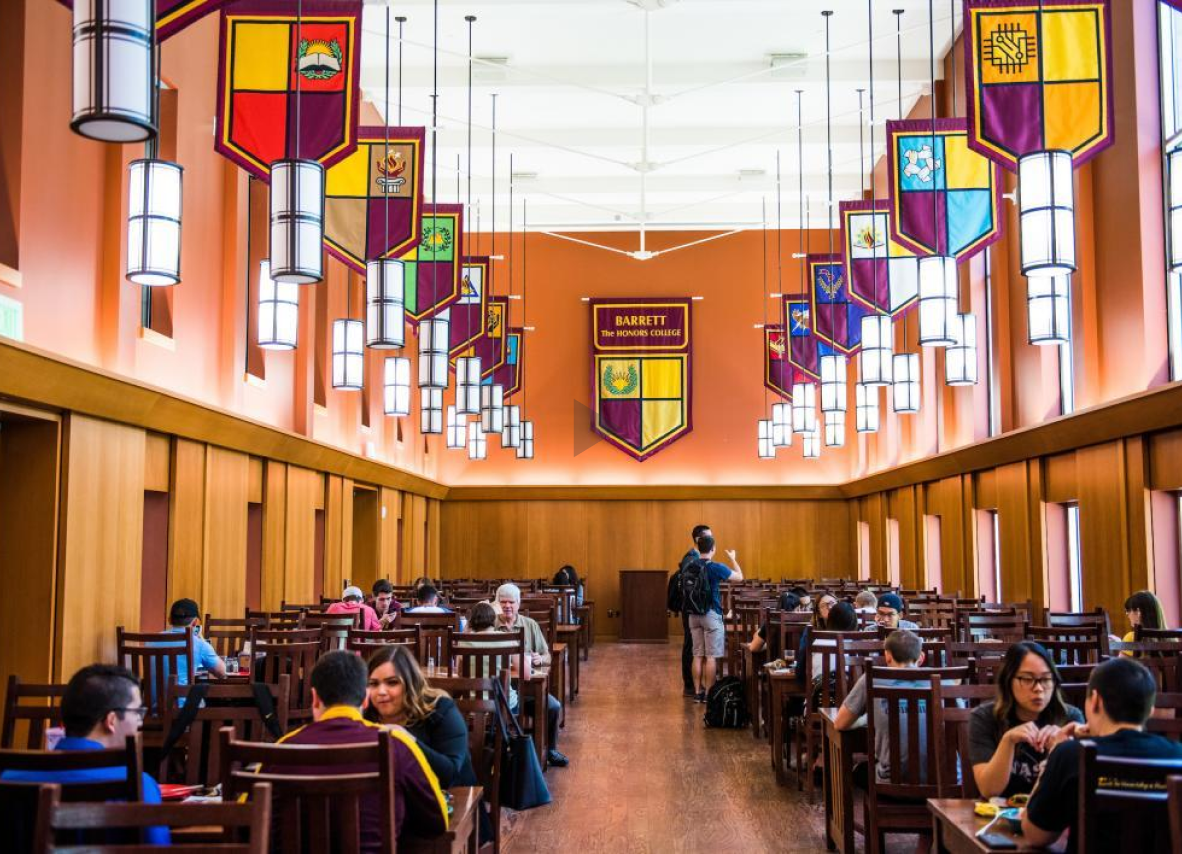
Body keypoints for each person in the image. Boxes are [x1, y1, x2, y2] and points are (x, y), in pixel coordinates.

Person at [273, 651, 448, 849]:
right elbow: (437, 821)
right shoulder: (396, 744)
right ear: (365, 699)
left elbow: (247, 819)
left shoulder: (282, 748)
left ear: (314, 698)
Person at [1022, 657, 1182, 852]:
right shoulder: (1177, 756)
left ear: (1095, 700)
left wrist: (1054, 753)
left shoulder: (1071, 754)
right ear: (1150, 710)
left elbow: (1035, 834)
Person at [1, 664, 169, 844]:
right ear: (111, 720)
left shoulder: (9, 778)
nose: (139, 721)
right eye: (137, 712)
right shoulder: (139, 783)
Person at [365, 644, 492, 844]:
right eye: (373, 683)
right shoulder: (366, 715)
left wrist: (407, 739)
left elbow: (449, 773)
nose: (381, 691)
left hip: (448, 811)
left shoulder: (440, 709)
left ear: (410, 683)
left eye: (392, 682)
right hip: (391, 810)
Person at [969, 641, 1084, 798]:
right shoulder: (985, 718)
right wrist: (1008, 741)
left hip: (1051, 817)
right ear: (1008, 681)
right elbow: (989, 790)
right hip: (998, 815)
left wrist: (1062, 749)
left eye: (1045, 679)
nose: (1039, 688)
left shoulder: (1069, 719)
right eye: (1028, 679)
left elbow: (1079, 790)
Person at [835, 629, 930, 785]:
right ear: (921, 658)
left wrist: (866, 718)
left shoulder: (873, 678)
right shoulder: (944, 680)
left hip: (893, 783)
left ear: (887, 655)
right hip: (944, 784)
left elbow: (840, 723)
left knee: (859, 772)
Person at [495, 583, 569, 767]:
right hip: (498, 691)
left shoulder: (530, 625)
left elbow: (548, 657)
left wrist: (539, 659)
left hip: (526, 690)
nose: (507, 606)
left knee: (553, 706)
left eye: (511, 602)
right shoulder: (491, 625)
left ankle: (549, 750)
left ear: (518, 603)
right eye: (503, 602)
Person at [683, 534, 743, 703]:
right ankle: (709, 694)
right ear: (713, 549)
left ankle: (697, 693)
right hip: (710, 614)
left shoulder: (690, 566)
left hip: (693, 614)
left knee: (697, 655)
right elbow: (740, 577)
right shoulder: (716, 567)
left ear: (698, 548)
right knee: (711, 657)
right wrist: (733, 559)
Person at [669, 524, 712, 698]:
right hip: (691, 608)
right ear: (698, 540)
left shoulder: (696, 557)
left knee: (694, 645)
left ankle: (694, 683)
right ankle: (689, 685)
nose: (712, 539)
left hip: (694, 608)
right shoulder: (691, 558)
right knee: (690, 646)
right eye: (708, 536)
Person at [164, 598, 225, 684]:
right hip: (182, 697)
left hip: (147, 697)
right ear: (195, 622)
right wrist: (202, 640)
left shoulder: (151, 641)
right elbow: (222, 673)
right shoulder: (200, 645)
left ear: (169, 620)